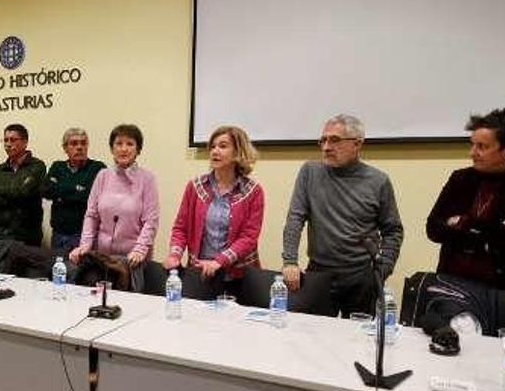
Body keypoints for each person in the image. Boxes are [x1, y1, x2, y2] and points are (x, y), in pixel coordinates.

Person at [427, 108, 505, 319]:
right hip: (455, 286)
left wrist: (460, 222)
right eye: (472, 144)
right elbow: (434, 229)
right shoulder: (460, 179)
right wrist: (493, 228)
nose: (472, 152)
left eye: (482, 147)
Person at [282, 114, 403, 317]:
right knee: (312, 338)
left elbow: (393, 230)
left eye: (335, 140)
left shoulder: (378, 181)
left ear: (357, 144)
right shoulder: (309, 172)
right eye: (323, 140)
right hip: (319, 273)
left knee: (358, 342)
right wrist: (290, 261)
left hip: (361, 276)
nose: (326, 147)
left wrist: (383, 269)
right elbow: (295, 219)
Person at [163, 126, 264, 299]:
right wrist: (175, 254)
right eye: (213, 146)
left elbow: (249, 237)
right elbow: (181, 228)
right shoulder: (195, 186)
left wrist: (219, 262)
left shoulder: (253, 191)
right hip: (200, 274)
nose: (215, 151)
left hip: (238, 278)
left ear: (238, 152)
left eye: (223, 146)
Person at [70, 124, 160, 290]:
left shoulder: (147, 179)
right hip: (102, 259)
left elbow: (151, 221)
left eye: (130, 144)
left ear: (138, 149)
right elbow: (92, 215)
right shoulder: (102, 176)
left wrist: (140, 249)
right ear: (112, 149)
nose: (124, 149)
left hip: (132, 261)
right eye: (119, 144)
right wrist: (85, 245)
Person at [43, 128, 106, 254]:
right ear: (65, 148)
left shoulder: (98, 168)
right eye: (74, 143)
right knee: (58, 270)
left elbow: (90, 197)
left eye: (83, 143)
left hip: (85, 236)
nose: (79, 147)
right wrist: (76, 188)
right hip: (59, 234)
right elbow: (46, 191)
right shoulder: (58, 166)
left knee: (82, 272)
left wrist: (61, 192)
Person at [0, 123, 47, 246]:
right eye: (5, 140)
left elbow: (24, 192)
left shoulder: (37, 166)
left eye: (13, 140)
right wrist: (15, 195)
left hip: (27, 236)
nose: (8, 144)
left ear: (25, 142)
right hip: (0, 234)